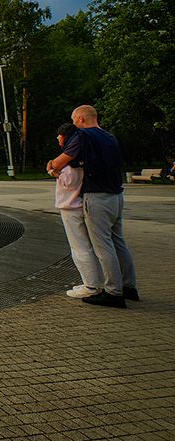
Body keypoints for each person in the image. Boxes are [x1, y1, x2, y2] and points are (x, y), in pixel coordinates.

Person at [48, 105, 137, 308]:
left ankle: (114, 292)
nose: (73, 124)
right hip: (116, 194)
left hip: (97, 196)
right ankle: (129, 286)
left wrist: (52, 165)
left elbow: (59, 163)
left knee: (102, 245)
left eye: (73, 119)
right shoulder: (109, 136)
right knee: (118, 241)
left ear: (80, 118)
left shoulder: (83, 136)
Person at [48, 123, 103, 298]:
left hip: (71, 207)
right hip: (80, 205)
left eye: (60, 135)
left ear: (65, 137)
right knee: (88, 246)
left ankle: (91, 286)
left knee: (79, 247)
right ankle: (95, 282)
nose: (58, 138)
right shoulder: (80, 159)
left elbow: (68, 181)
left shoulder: (71, 162)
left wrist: (54, 172)